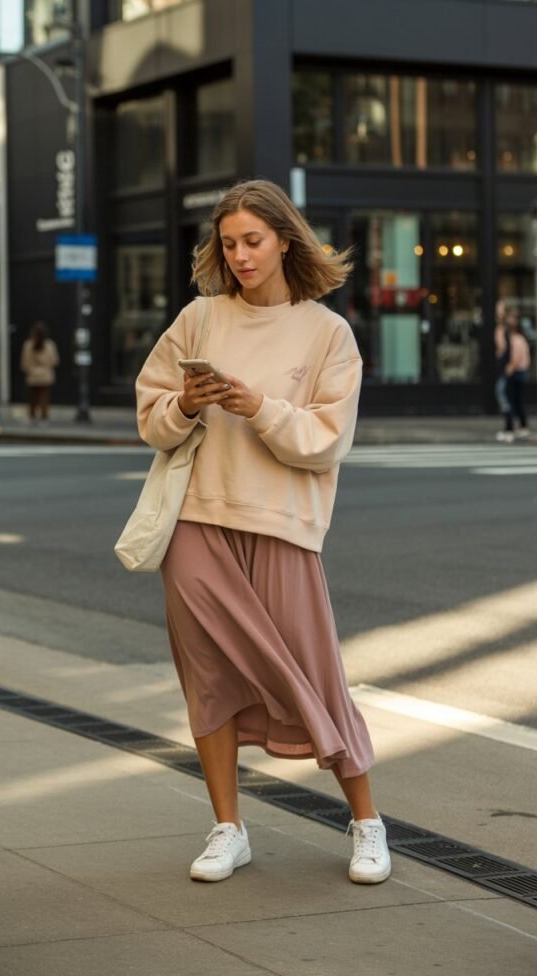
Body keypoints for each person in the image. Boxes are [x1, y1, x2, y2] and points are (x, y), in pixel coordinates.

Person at [136, 179, 391, 886]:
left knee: (314, 674)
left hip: (281, 526)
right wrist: (185, 401)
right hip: (196, 519)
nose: (241, 255)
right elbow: (150, 414)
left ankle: (367, 823)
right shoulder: (199, 319)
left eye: (253, 240)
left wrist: (259, 407)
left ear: (285, 238)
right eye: (229, 243)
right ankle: (228, 827)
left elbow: (325, 441)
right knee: (208, 679)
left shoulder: (327, 333)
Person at [20, 322, 60, 423]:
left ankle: (32, 416)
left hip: (32, 375)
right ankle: (44, 416)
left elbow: (25, 362)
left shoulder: (28, 345)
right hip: (46, 375)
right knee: (44, 398)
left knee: (32, 398)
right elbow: (54, 360)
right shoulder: (50, 345)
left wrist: (30, 369)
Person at [504, 311, 531, 439]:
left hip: (517, 372)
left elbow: (517, 357)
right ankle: (521, 425)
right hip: (520, 372)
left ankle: (518, 426)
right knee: (516, 400)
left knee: (514, 400)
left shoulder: (517, 340)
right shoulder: (520, 339)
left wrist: (510, 368)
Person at [494, 300, 514, 443]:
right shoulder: (502, 328)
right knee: (504, 396)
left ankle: (510, 428)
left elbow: (509, 350)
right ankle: (509, 427)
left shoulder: (507, 329)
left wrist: (509, 365)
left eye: (500, 309)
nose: (497, 312)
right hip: (503, 366)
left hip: (507, 367)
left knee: (505, 396)